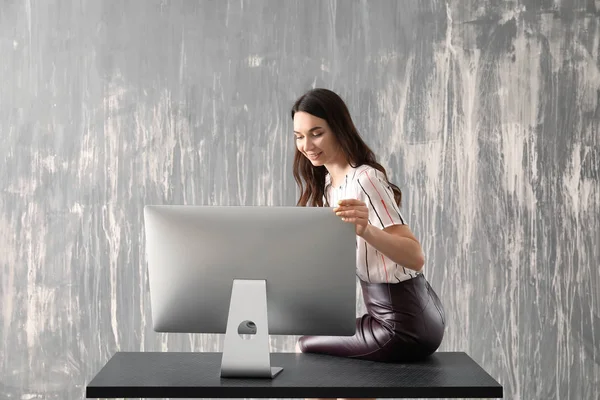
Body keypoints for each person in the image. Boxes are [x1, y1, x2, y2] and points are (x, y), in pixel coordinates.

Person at [291, 88, 446, 376]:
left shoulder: (365, 179)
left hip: (405, 322)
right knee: (352, 379)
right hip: (385, 315)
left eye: (316, 133)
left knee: (305, 348)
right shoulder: (329, 185)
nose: (307, 144)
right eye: (299, 136)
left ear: (338, 129)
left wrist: (366, 230)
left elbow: (415, 257)